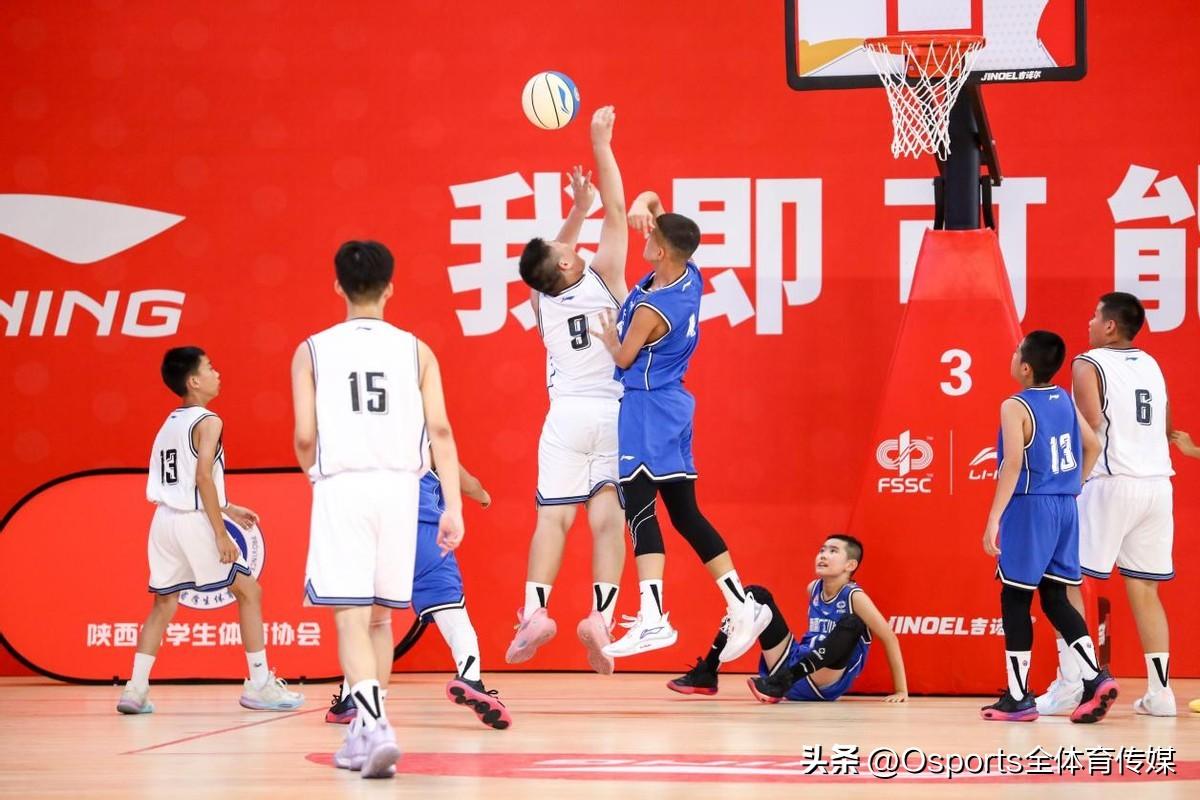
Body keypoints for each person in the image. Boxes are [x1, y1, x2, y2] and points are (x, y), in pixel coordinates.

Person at [292, 240, 464, 778]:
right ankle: (365, 733)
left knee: (349, 617)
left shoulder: (312, 350)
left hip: (344, 485)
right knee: (381, 618)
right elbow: (440, 430)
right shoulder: (418, 350)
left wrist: (315, 472)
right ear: (390, 288)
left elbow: (304, 437)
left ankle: (373, 725)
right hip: (401, 490)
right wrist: (453, 506)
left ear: (337, 286)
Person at [595, 192, 769, 662]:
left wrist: (609, 337)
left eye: (650, 234)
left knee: (639, 509)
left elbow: (624, 357)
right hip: (674, 405)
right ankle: (741, 604)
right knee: (686, 514)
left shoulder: (651, 311)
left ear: (661, 250)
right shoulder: (689, 275)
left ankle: (653, 617)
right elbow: (659, 212)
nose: (644, 236)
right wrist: (645, 202)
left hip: (647, 409)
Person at [508, 106, 629, 674]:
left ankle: (534, 612)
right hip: (614, 413)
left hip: (563, 417)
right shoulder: (604, 274)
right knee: (607, 522)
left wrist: (577, 210)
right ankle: (601, 618)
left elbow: (549, 260)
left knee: (552, 519)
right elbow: (618, 210)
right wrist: (601, 144)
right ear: (563, 259)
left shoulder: (541, 300)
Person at [117, 347, 304, 715]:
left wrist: (227, 506)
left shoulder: (170, 422)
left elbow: (185, 480)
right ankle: (259, 684)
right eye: (210, 368)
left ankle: (134, 690)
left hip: (164, 522)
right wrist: (221, 532)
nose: (217, 373)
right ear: (194, 381)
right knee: (249, 591)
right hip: (192, 521)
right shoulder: (209, 420)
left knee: (163, 604)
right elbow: (202, 476)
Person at [1038, 294, 1179, 718]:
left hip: (1110, 482)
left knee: (1063, 581)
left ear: (1111, 326)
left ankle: (1073, 683)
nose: (1090, 322)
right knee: (1145, 589)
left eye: (1095, 315)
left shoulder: (1088, 362)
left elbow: (1091, 424)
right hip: (1157, 485)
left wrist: (1069, 476)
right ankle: (1160, 694)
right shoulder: (1152, 363)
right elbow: (1166, 427)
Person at [980, 331, 1116, 723]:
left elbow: (1012, 465)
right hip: (1064, 506)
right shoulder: (1064, 398)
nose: (1012, 356)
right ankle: (1095, 676)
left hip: (1030, 508)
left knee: (1015, 598)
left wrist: (993, 517)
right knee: (1056, 598)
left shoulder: (1015, 405)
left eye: (1015, 353)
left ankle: (1018, 697)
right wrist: (1075, 485)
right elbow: (1093, 445)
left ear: (1025, 367)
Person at [326, 461, 511, 730]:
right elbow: (466, 481)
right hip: (427, 536)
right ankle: (470, 676)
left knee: (371, 625)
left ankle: (353, 699)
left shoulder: (367, 442)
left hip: (380, 533)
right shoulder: (430, 440)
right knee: (454, 617)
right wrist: (483, 496)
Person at [667, 535, 909, 704]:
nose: (823, 555)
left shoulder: (855, 597)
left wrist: (901, 690)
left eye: (833, 551)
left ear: (850, 565)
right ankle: (708, 672)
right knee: (753, 596)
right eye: (822, 550)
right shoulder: (813, 588)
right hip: (792, 663)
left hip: (821, 682)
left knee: (853, 623)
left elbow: (890, 638)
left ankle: (782, 681)